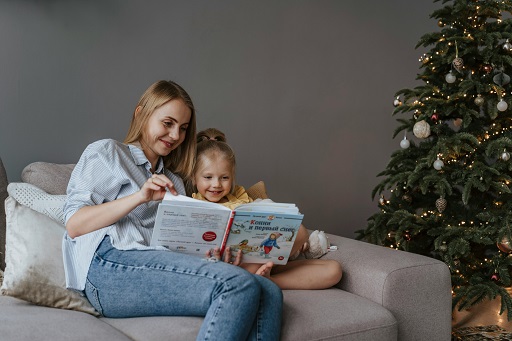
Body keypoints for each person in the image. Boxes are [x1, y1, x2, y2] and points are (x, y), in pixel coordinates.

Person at [62, 80, 283, 341]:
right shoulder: (109, 153)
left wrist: (215, 256)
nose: (176, 136)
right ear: (140, 113)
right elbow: (74, 224)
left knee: (269, 291)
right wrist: (140, 196)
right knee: (235, 284)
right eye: (168, 124)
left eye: (183, 128)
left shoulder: (175, 182)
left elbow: (176, 249)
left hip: (151, 264)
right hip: (108, 266)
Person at [191, 128, 343, 290]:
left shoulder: (243, 197)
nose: (216, 184)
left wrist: (296, 243)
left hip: (265, 260)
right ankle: (245, 278)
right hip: (233, 267)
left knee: (333, 269)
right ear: (193, 177)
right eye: (208, 177)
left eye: (224, 177)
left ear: (232, 176)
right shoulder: (193, 205)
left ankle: (265, 281)